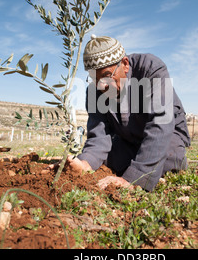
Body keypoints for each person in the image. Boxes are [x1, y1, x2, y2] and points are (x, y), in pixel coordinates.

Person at [63, 35, 190, 192]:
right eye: (95, 79)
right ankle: (142, 162)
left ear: (125, 64)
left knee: (171, 157)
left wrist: (133, 179)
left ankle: (147, 167)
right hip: (128, 140)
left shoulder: (151, 69)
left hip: (167, 135)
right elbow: (99, 137)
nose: (102, 85)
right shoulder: (94, 90)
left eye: (106, 76)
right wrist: (84, 164)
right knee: (107, 160)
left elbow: (161, 123)